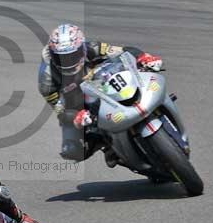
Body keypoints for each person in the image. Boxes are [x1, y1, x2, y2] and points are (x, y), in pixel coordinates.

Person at [38, 23, 163, 163]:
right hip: (73, 96)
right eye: (60, 58)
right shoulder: (47, 79)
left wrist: (144, 57)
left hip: (100, 79)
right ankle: (109, 146)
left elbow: (123, 52)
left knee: (140, 74)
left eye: (72, 56)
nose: (67, 62)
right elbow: (59, 108)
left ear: (82, 49)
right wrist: (76, 116)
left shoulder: (93, 47)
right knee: (74, 149)